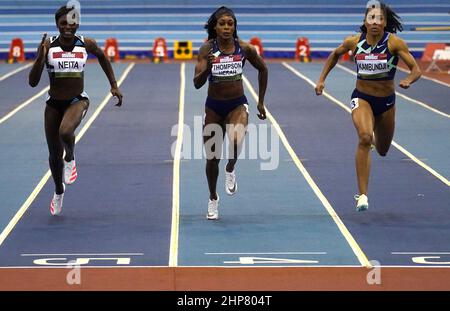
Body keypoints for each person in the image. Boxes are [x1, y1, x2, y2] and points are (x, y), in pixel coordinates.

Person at [314, 0, 421, 211]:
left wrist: (408, 80)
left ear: (384, 23)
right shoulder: (354, 42)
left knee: (382, 149)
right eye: (371, 18)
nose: (375, 22)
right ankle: (362, 195)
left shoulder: (395, 44)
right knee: (364, 137)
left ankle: (374, 146)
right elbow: (335, 54)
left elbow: (416, 69)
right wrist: (321, 79)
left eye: (380, 19)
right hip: (362, 97)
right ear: (365, 21)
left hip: (387, 102)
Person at [29, 5, 123, 216]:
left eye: (72, 23)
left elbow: (102, 57)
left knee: (65, 132)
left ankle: (70, 158)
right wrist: (40, 58)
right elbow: (33, 82)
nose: (68, 27)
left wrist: (114, 85)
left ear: (77, 23)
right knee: (54, 155)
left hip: (77, 100)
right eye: (63, 23)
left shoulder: (86, 43)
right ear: (57, 25)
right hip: (53, 104)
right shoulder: (47, 45)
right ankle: (58, 191)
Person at [193, 6, 268, 220]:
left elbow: (263, 69)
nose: (227, 27)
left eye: (230, 24)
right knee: (211, 158)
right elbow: (196, 84)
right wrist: (207, 68)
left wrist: (261, 102)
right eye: (222, 24)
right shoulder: (206, 49)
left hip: (237, 104)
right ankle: (213, 197)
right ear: (215, 27)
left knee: (236, 139)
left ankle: (231, 167)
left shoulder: (244, 48)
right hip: (214, 107)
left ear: (234, 27)